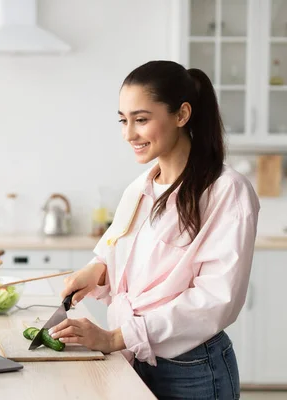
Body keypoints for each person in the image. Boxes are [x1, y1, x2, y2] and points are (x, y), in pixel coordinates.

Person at [48, 60, 260, 399]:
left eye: (141, 120)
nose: (128, 134)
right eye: (123, 120)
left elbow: (216, 300)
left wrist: (116, 338)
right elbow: (116, 252)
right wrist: (97, 272)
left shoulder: (226, 191)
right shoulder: (139, 188)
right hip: (135, 361)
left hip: (193, 371)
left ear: (181, 115)